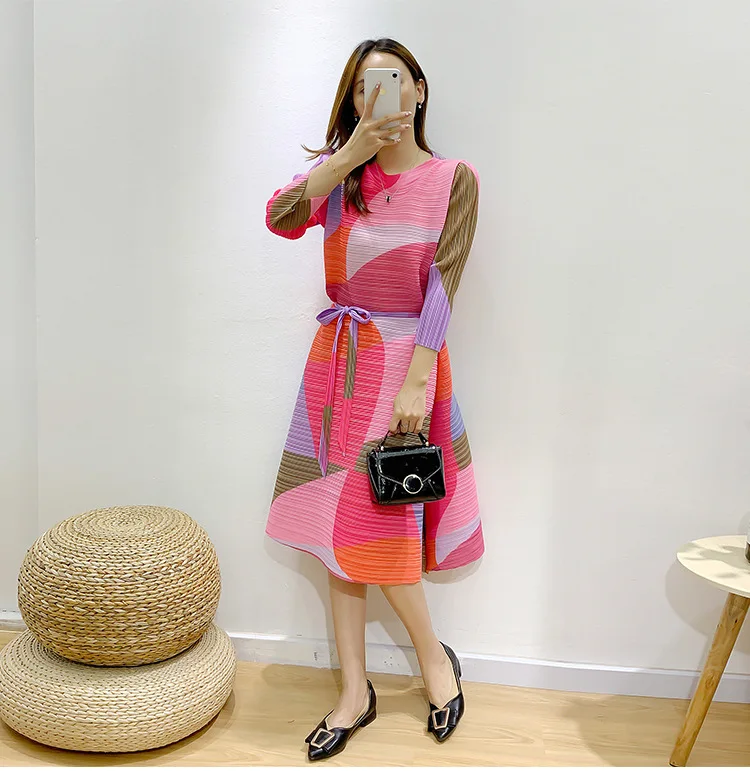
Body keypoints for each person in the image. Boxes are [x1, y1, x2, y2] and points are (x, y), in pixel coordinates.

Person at [264, 37, 484, 761]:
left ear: (418, 90)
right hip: (337, 365)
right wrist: (347, 156)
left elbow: (445, 282)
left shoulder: (453, 178)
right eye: (362, 86)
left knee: (380, 530)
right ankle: (354, 690)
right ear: (352, 101)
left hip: (406, 364)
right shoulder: (340, 181)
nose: (376, 94)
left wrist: (418, 380)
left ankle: (433, 661)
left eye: (390, 80)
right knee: (341, 531)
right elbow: (281, 217)